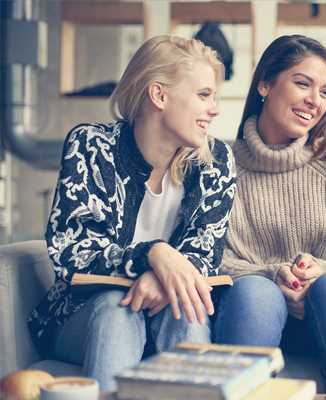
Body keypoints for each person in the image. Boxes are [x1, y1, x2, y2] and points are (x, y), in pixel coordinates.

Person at [27, 35, 236, 391]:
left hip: (168, 310)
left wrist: (162, 275)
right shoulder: (91, 145)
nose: (214, 109)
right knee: (117, 309)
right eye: (203, 95)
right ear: (159, 95)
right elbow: (73, 250)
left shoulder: (215, 161)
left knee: (187, 308)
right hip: (81, 317)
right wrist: (153, 255)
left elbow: (204, 253)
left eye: (214, 96)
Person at [212, 34, 326, 388]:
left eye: (324, 92)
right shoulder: (217, 163)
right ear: (264, 84)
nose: (314, 101)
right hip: (250, 314)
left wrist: (317, 271)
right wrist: (274, 274)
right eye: (302, 84)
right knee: (257, 291)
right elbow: (214, 259)